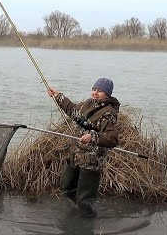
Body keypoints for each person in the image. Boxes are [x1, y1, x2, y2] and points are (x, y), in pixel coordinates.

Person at [47, 77, 120, 217]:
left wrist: (93, 137)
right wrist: (57, 96)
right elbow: (72, 110)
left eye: (99, 91)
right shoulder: (88, 103)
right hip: (76, 155)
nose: (95, 93)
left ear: (108, 94)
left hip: (92, 161)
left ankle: (87, 225)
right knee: (67, 188)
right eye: (94, 89)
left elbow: (112, 139)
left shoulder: (109, 112)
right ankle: (75, 216)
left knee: (84, 199)